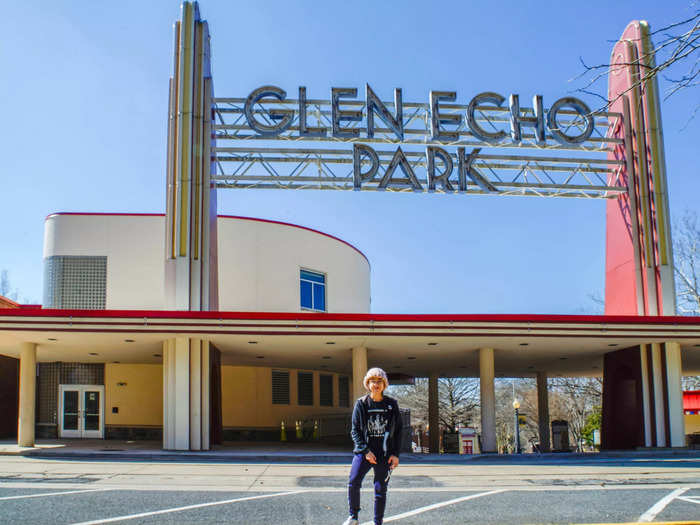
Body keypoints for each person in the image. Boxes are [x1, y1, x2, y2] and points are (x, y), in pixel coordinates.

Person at [342, 367, 403, 525]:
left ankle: (378, 522)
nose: (376, 384)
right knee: (353, 482)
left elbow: (398, 431)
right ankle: (353, 516)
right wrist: (365, 451)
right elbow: (355, 431)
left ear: (384, 385)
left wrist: (395, 454)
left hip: (384, 454)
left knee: (380, 489)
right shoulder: (361, 404)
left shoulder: (391, 405)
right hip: (364, 453)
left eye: (379, 381)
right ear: (367, 384)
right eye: (372, 381)